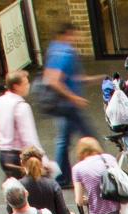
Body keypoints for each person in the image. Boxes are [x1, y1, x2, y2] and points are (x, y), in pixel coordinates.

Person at [41, 21, 92, 172]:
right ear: (67, 34)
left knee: (63, 139)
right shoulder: (65, 52)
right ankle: (100, 168)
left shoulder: (53, 48)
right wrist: (74, 98)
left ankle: (62, 174)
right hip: (68, 105)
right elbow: (54, 80)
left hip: (62, 104)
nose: (78, 38)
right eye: (76, 35)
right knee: (88, 136)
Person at [0, 71, 40, 183]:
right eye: (25, 83)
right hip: (19, 156)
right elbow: (29, 138)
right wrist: (42, 158)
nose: (28, 86)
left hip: (3, 156)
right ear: (16, 86)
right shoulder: (22, 107)